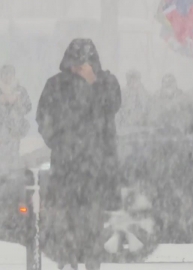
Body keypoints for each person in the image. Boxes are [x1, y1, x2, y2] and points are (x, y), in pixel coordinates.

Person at [36, 38, 122, 270]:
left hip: (96, 166)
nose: (78, 68)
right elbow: (44, 118)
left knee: (93, 224)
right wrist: (60, 142)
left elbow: (113, 105)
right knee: (66, 223)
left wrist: (94, 82)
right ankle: (68, 262)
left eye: (84, 62)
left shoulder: (106, 82)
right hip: (67, 166)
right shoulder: (55, 85)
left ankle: (91, 264)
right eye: (75, 62)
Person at [0, 65, 32, 173]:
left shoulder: (20, 91)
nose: (7, 77)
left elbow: (28, 107)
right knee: (0, 158)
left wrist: (19, 104)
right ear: (1, 76)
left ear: (14, 76)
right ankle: (0, 180)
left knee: (14, 157)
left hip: (15, 130)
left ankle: (13, 180)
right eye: (5, 74)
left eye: (10, 74)